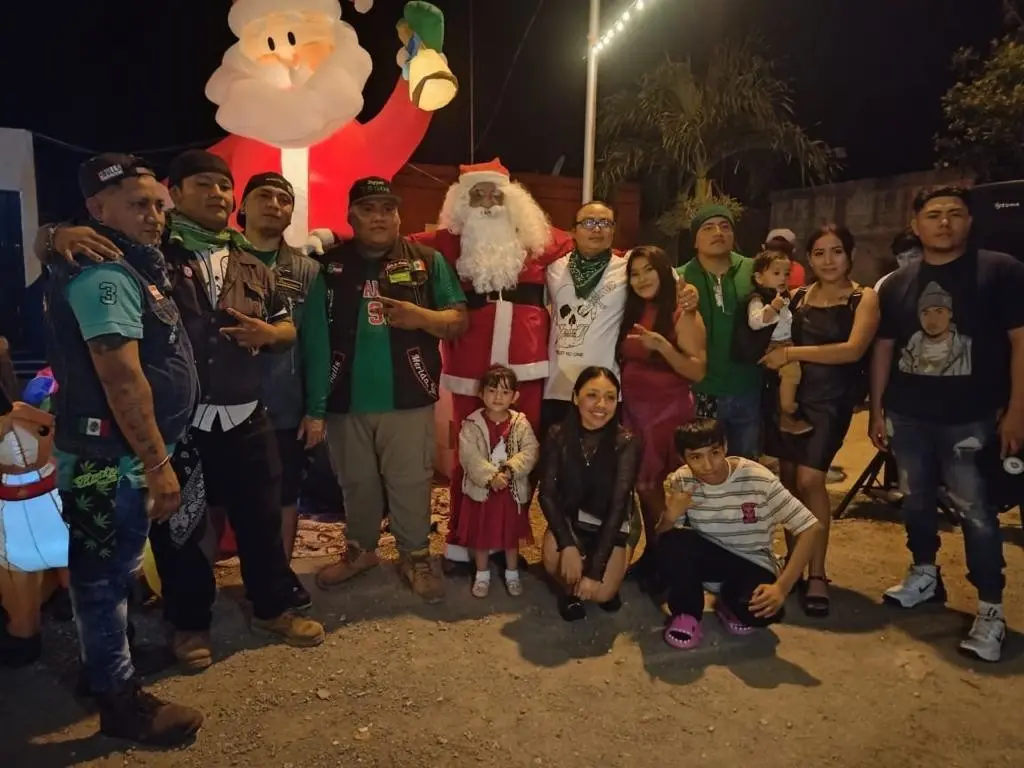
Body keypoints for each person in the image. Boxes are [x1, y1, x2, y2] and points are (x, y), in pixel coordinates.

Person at [40, 150, 327, 655]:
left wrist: (271, 332)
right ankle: (190, 622)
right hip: (183, 424)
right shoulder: (150, 248)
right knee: (181, 529)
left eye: (224, 186)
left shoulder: (250, 260)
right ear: (177, 192)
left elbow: (286, 325)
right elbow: (71, 250)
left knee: (262, 520)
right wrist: (52, 236)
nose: (217, 195)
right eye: (204, 185)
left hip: (247, 416)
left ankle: (272, 609)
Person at [42, 154, 203, 745]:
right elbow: (121, 379)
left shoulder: (131, 264)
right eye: (140, 205)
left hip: (117, 457)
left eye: (160, 204)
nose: (156, 216)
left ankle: (109, 668)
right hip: (107, 462)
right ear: (96, 211)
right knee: (104, 580)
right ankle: (118, 701)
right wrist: (157, 463)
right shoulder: (105, 274)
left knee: (110, 573)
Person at [870, 186, 1024, 662]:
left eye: (954, 214)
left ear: (969, 222)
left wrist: (1017, 409)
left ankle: (990, 608)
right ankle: (924, 572)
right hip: (908, 416)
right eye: (932, 215)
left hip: (972, 418)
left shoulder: (999, 271)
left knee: (976, 512)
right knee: (915, 500)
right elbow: (885, 349)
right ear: (915, 224)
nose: (943, 223)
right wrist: (877, 409)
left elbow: (1021, 341)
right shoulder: (897, 283)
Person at [405, 159, 573, 566]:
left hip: (526, 364)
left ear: (511, 198)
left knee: (521, 450)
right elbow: (394, 242)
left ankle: (507, 540)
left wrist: (654, 268)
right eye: (476, 195)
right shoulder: (449, 241)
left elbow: (593, 246)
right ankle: (463, 539)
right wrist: (330, 238)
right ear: (463, 202)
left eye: (494, 193)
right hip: (470, 362)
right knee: (470, 451)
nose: (486, 203)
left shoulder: (538, 238)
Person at [315, 177, 468, 602]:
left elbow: (459, 320)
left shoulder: (426, 261)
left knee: (410, 481)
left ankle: (415, 556)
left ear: (398, 215)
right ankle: (361, 551)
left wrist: (422, 317)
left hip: (409, 395)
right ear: (351, 216)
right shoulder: (329, 266)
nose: (380, 216)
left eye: (388, 208)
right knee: (356, 482)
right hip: (344, 397)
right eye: (369, 209)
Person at [761, 225, 879, 617]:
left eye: (837, 252)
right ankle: (794, 565)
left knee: (811, 482)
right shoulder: (796, 296)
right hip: (788, 400)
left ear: (850, 254)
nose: (829, 261)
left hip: (830, 403)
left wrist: (793, 355)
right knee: (789, 483)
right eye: (820, 253)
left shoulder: (864, 298)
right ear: (807, 258)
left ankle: (817, 573)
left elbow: (852, 350)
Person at [238, 171, 330, 609]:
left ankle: (279, 574)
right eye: (264, 196)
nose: (275, 204)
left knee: (284, 497)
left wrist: (316, 410)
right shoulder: (219, 257)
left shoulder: (307, 270)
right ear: (243, 206)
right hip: (221, 404)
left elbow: (316, 343)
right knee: (218, 500)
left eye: (283, 198)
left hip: (284, 406)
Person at [657, 419, 818, 649]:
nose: (708, 464)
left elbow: (810, 527)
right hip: (710, 556)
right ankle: (687, 614)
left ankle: (730, 605)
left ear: (725, 446)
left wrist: (782, 587)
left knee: (761, 613)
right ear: (683, 458)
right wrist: (670, 516)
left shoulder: (758, 478)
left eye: (714, 452)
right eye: (696, 457)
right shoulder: (681, 479)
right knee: (674, 541)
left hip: (752, 561)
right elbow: (663, 538)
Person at [615, 245, 705, 591]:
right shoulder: (635, 309)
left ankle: (671, 564)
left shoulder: (683, 312)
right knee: (643, 489)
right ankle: (655, 555)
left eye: (648, 270)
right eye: (634, 273)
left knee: (664, 492)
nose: (641, 279)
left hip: (668, 415)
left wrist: (663, 347)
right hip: (636, 414)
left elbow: (698, 369)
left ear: (665, 271)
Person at [539, 367, 641, 621]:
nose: (601, 405)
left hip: (609, 525)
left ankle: (600, 583)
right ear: (575, 397)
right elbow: (547, 494)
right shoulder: (558, 435)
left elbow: (619, 508)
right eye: (592, 395)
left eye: (609, 397)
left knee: (602, 593)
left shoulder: (626, 442)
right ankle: (570, 592)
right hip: (573, 520)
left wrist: (595, 572)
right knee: (554, 559)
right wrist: (568, 545)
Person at [678, 205, 763, 459]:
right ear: (695, 240)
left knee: (745, 462)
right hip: (703, 390)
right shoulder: (680, 277)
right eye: (708, 227)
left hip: (748, 387)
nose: (718, 232)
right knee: (706, 461)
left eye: (725, 226)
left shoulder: (754, 271)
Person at [455, 364, 539, 598]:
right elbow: (468, 455)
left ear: (515, 396)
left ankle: (512, 573)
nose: (498, 397)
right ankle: (482, 574)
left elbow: (531, 450)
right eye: (492, 391)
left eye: (504, 392)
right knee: (482, 535)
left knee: (510, 536)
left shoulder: (520, 423)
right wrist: (490, 476)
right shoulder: (471, 424)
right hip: (483, 493)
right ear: (481, 394)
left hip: (510, 493)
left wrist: (511, 471)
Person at [736, 238, 813, 435]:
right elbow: (756, 321)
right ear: (759, 278)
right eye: (776, 273)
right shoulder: (759, 298)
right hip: (772, 346)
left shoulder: (783, 296)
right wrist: (773, 308)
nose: (783, 278)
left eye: (786, 274)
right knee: (791, 371)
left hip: (785, 343)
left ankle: (784, 413)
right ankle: (787, 412)